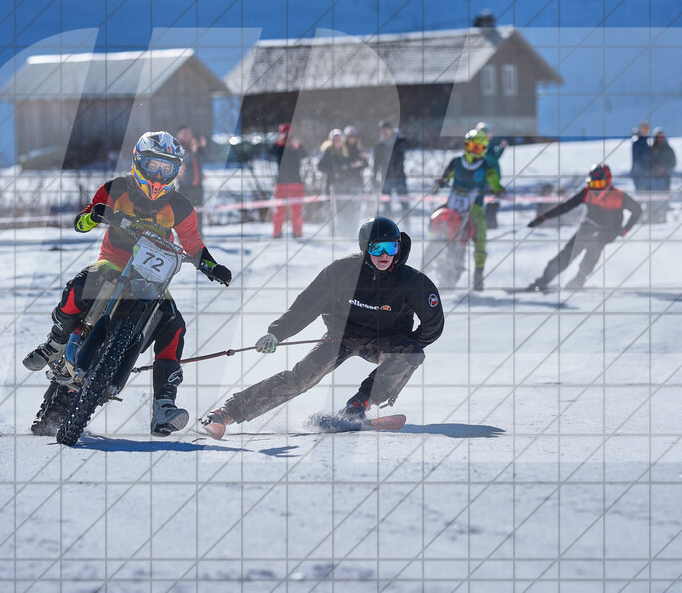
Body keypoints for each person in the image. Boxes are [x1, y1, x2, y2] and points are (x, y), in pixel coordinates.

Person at [22, 131, 233, 437]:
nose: (159, 174)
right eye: (153, 165)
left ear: (176, 170)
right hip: (114, 261)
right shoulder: (117, 189)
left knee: (174, 325)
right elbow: (81, 222)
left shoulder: (181, 206)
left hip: (153, 277)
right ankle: (56, 341)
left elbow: (194, 245)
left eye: (166, 167)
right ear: (138, 162)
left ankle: (164, 406)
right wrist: (94, 215)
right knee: (81, 284)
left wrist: (213, 267)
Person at [198, 217, 444, 439]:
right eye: (376, 247)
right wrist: (276, 332)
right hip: (342, 337)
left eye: (391, 247)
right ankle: (226, 414)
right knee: (301, 378)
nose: (385, 254)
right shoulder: (341, 272)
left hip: (386, 340)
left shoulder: (414, 283)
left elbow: (432, 325)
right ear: (364, 248)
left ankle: (357, 406)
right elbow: (306, 306)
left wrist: (402, 344)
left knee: (411, 352)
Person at [524, 164, 642, 292]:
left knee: (595, 246)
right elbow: (566, 206)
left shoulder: (618, 196)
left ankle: (579, 278)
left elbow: (637, 210)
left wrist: (625, 229)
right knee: (568, 253)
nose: (595, 189)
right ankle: (544, 280)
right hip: (589, 226)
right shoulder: (587, 193)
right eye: (592, 185)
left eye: (598, 185)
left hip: (609, 231)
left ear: (607, 181)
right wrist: (543, 217)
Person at [434, 128, 505, 291]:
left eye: (478, 148)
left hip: (475, 207)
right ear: (466, 145)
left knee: (480, 238)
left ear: (483, 150)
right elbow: (446, 176)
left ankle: (478, 275)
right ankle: (435, 247)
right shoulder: (456, 162)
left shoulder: (487, 166)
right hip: (453, 204)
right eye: (471, 146)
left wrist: (498, 189)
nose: (473, 151)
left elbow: (494, 180)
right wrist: (441, 181)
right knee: (436, 218)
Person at [269, 123, 307, 238]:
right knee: (279, 211)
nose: (286, 136)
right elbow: (270, 153)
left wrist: (296, 145)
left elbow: (304, 155)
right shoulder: (279, 147)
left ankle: (297, 233)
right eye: (284, 133)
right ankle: (277, 233)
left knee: (297, 211)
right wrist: (278, 142)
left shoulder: (295, 146)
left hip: (296, 183)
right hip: (281, 183)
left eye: (288, 133)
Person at [318, 128, 351, 237]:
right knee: (331, 210)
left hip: (343, 184)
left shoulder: (345, 151)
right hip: (331, 184)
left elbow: (348, 166)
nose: (337, 141)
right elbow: (320, 166)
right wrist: (332, 173)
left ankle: (344, 231)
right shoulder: (328, 151)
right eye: (335, 139)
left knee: (343, 209)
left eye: (339, 139)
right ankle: (332, 232)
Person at [373, 119, 409, 217]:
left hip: (399, 177)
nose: (384, 132)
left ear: (391, 130)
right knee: (386, 205)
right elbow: (376, 163)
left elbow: (407, 145)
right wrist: (374, 178)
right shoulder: (379, 146)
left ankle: (406, 226)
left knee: (404, 203)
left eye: (386, 129)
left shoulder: (400, 142)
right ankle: (389, 226)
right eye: (382, 130)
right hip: (386, 178)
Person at [477, 121, 507, 229]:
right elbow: (490, 159)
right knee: (484, 203)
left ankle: (491, 225)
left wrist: (502, 148)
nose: (490, 135)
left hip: (492, 178)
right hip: (486, 180)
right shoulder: (481, 146)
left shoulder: (488, 145)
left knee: (493, 203)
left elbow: (495, 156)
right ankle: (487, 225)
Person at [648, 127, 676, 224]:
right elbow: (648, 163)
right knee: (654, 200)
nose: (660, 138)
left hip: (665, 178)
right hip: (654, 179)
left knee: (663, 199)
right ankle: (654, 219)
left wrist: (664, 169)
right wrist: (654, 169)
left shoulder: (668, 149)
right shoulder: (651, 149)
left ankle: (663, 219)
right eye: (658, 136)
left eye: (661, 136)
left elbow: (673, 162)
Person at [176, 126, 204, 210]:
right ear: (179, 135)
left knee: (199, 212)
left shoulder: (194, 146)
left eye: (188, 133)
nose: (187, 136)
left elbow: (205, 159)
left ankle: (199, 223)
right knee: (184, 212)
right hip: (185, 187)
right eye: (184, 134)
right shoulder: (177, 147)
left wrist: (202, 146)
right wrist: (192, 151)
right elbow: (183, 161)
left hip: (198, 186)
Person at [630, 121, 651, 192]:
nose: (646, 131)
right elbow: (637, 159)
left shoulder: (643, 141)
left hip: (644, 174)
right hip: (640, 175)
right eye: (644, 129)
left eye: (647, 129)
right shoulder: (638, 142)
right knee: (642, 195)